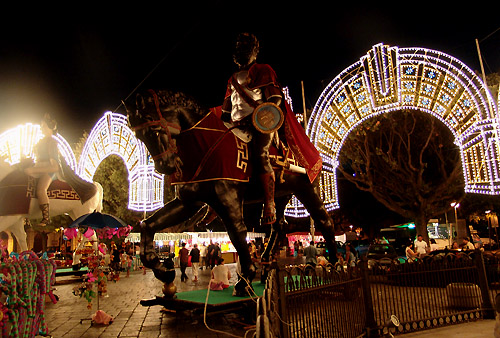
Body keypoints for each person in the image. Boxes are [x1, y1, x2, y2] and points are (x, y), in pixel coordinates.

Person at [221, 32, 286, 225]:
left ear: (254, 51)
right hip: (236, 126)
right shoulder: (231, 79)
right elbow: (226, 109)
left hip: (260, 124)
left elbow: (275, 98)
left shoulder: (263, 69)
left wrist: (261, 118)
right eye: (238, 47)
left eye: (245, 47)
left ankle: (269, 203)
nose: (240, 51)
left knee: (260, 155)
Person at [24, 113, 61, 226]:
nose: (41, 128)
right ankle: (25, 215)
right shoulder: (40, 142)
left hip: (49, 170)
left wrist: (34, 170)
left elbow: (54, 166)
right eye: (41, 126)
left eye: (44, 126)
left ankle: (46, 217)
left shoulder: (52, 143)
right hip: (38, 167)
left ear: (51, 128)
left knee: (41, 189)